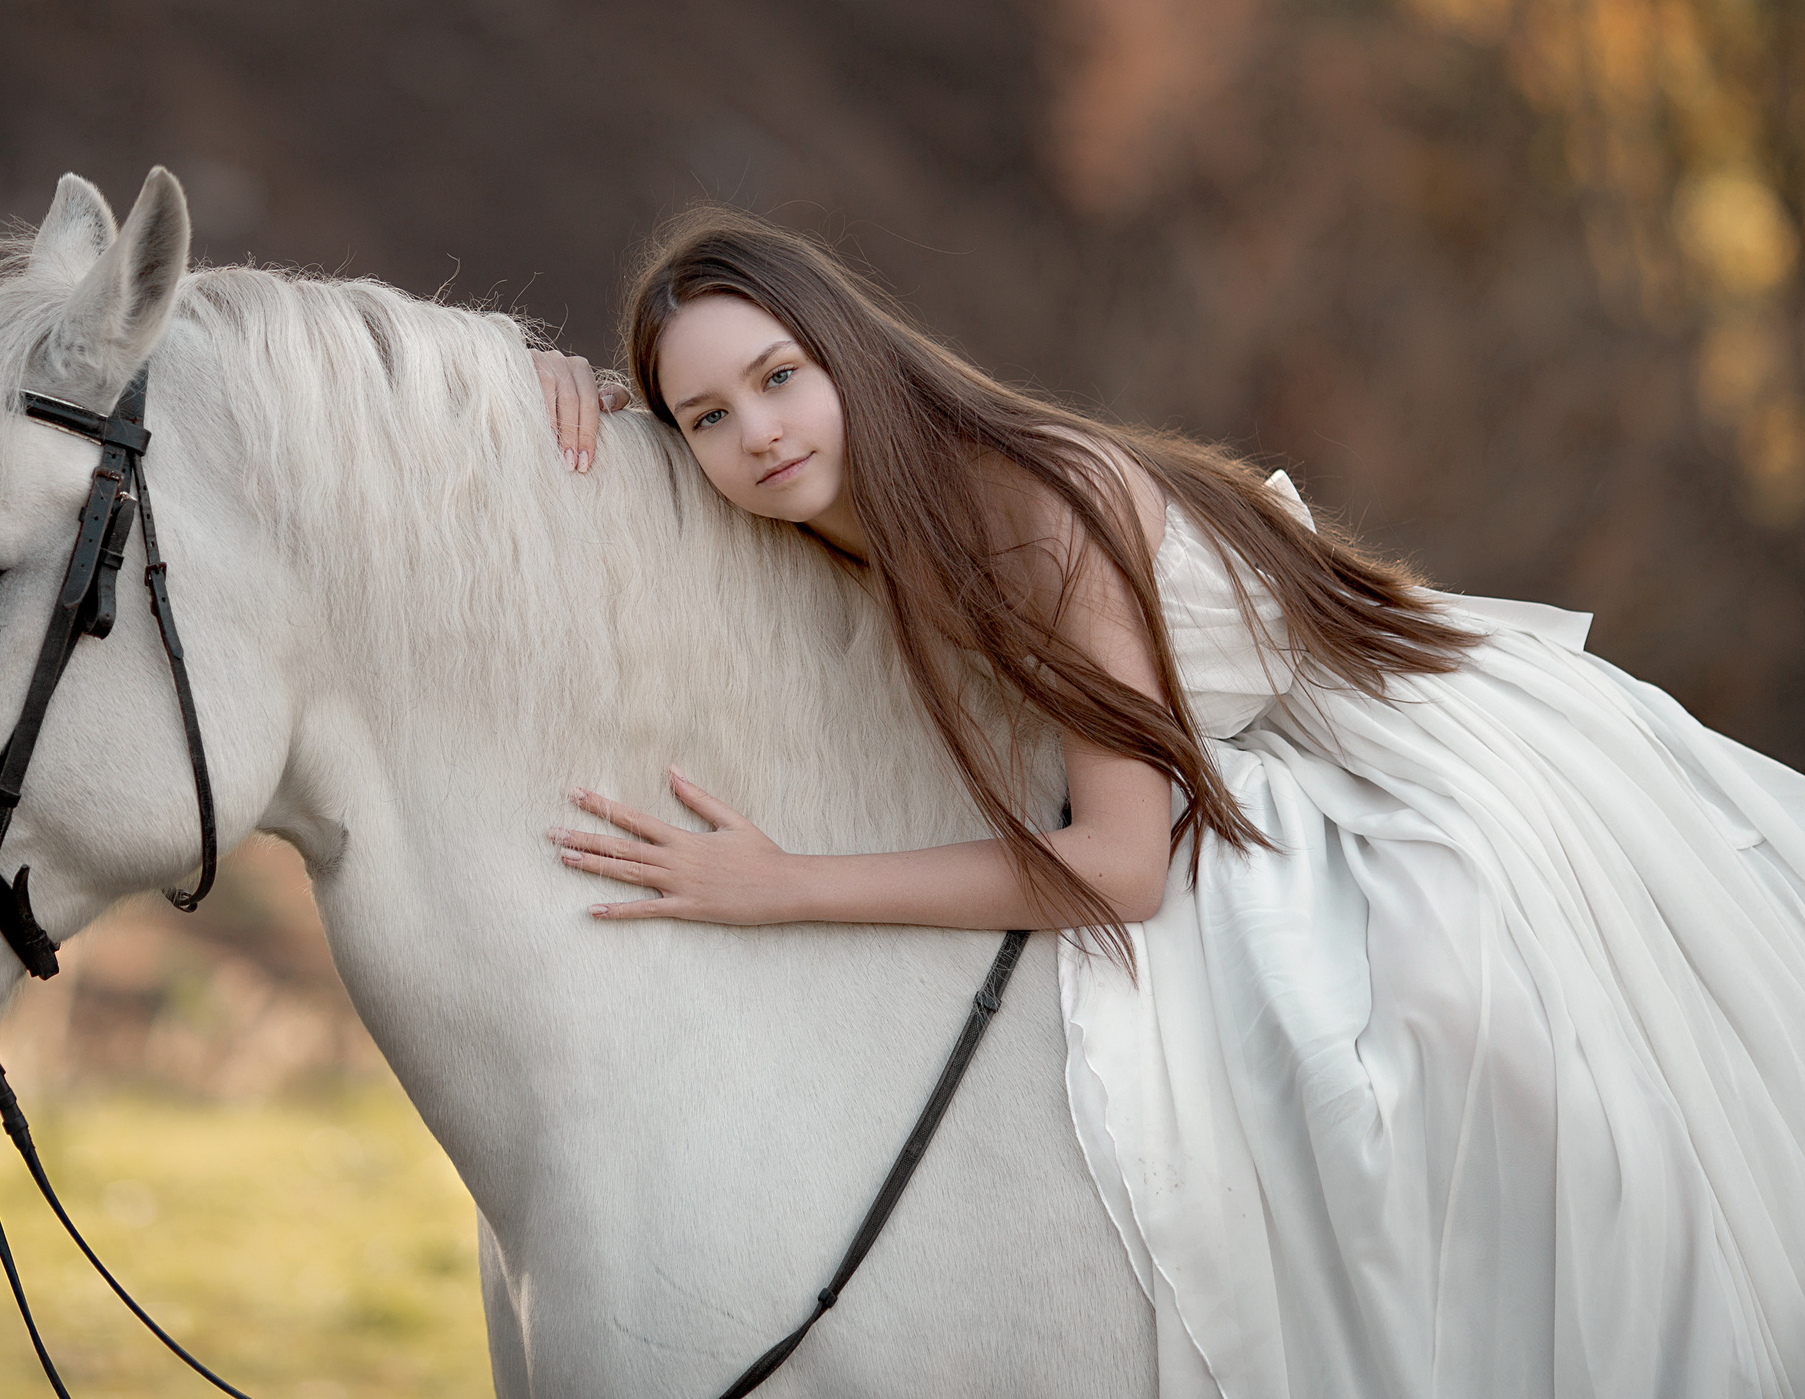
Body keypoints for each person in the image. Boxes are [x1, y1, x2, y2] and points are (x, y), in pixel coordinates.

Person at [529, 208, 1805, 1399]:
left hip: (1386, 749)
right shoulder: (822, 488)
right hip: (1225, 762)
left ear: (847, 356)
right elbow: (647, 423)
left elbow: (1120, 867)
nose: (753, 432)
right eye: (702, 419)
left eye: (778, 376)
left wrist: (788, 885)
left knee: (1435, 1045)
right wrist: (556, 385)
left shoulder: (1023, 512)